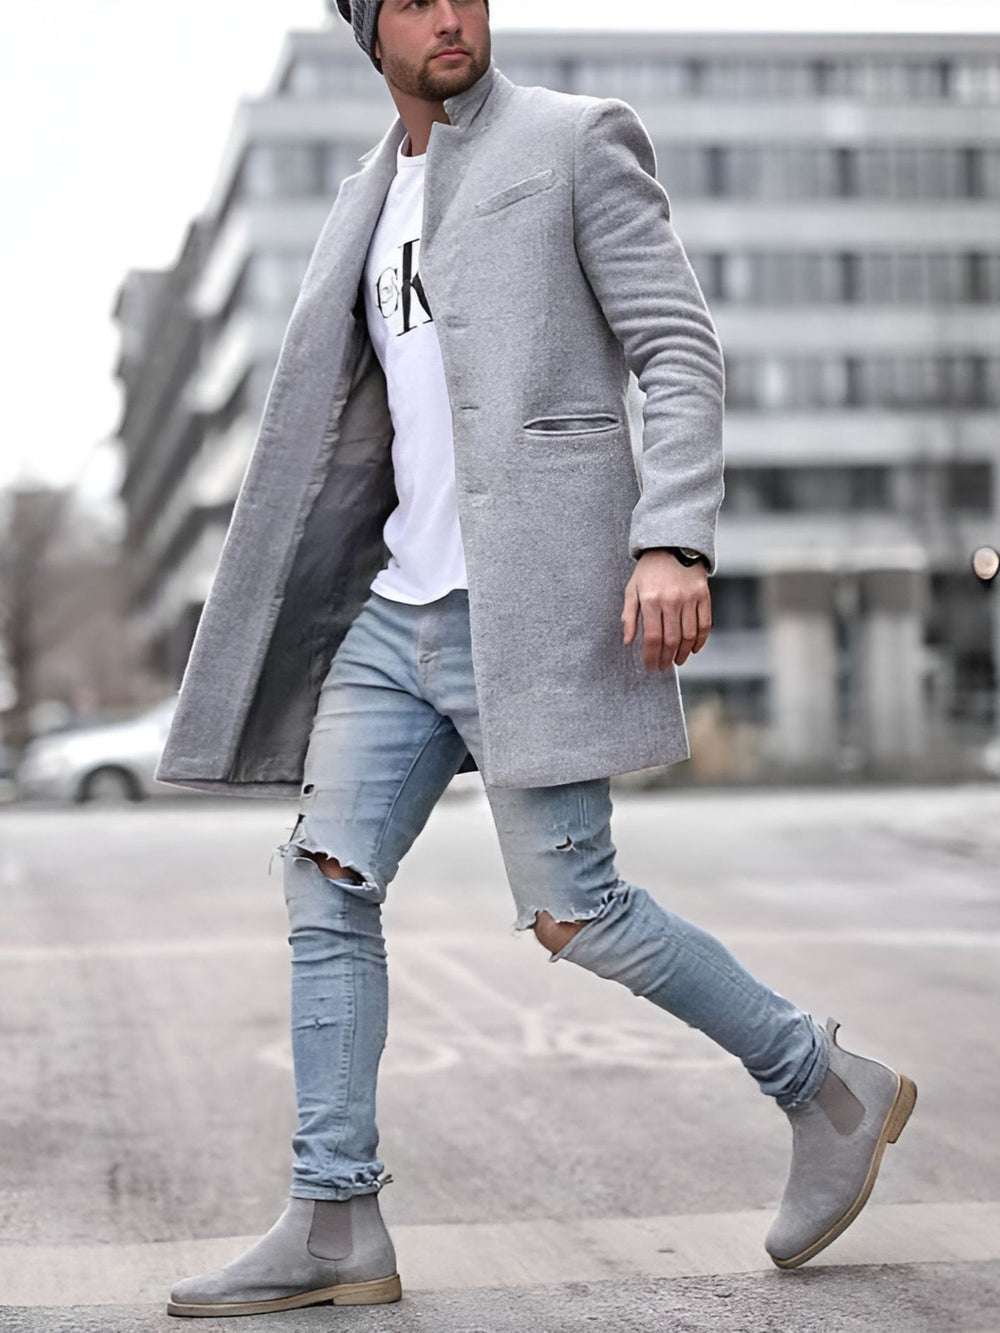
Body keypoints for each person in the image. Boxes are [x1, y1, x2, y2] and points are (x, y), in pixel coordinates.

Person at [162, 0, 916, 1317]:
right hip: (397, 611)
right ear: (366, 25)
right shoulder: (359, 198)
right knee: (327, 882)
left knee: (577, 911)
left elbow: (677, 346)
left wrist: (671, 538)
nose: (451, 15)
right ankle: (335, 1212)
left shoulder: (576, 142)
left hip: (541, 605)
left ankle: (825, 1082)